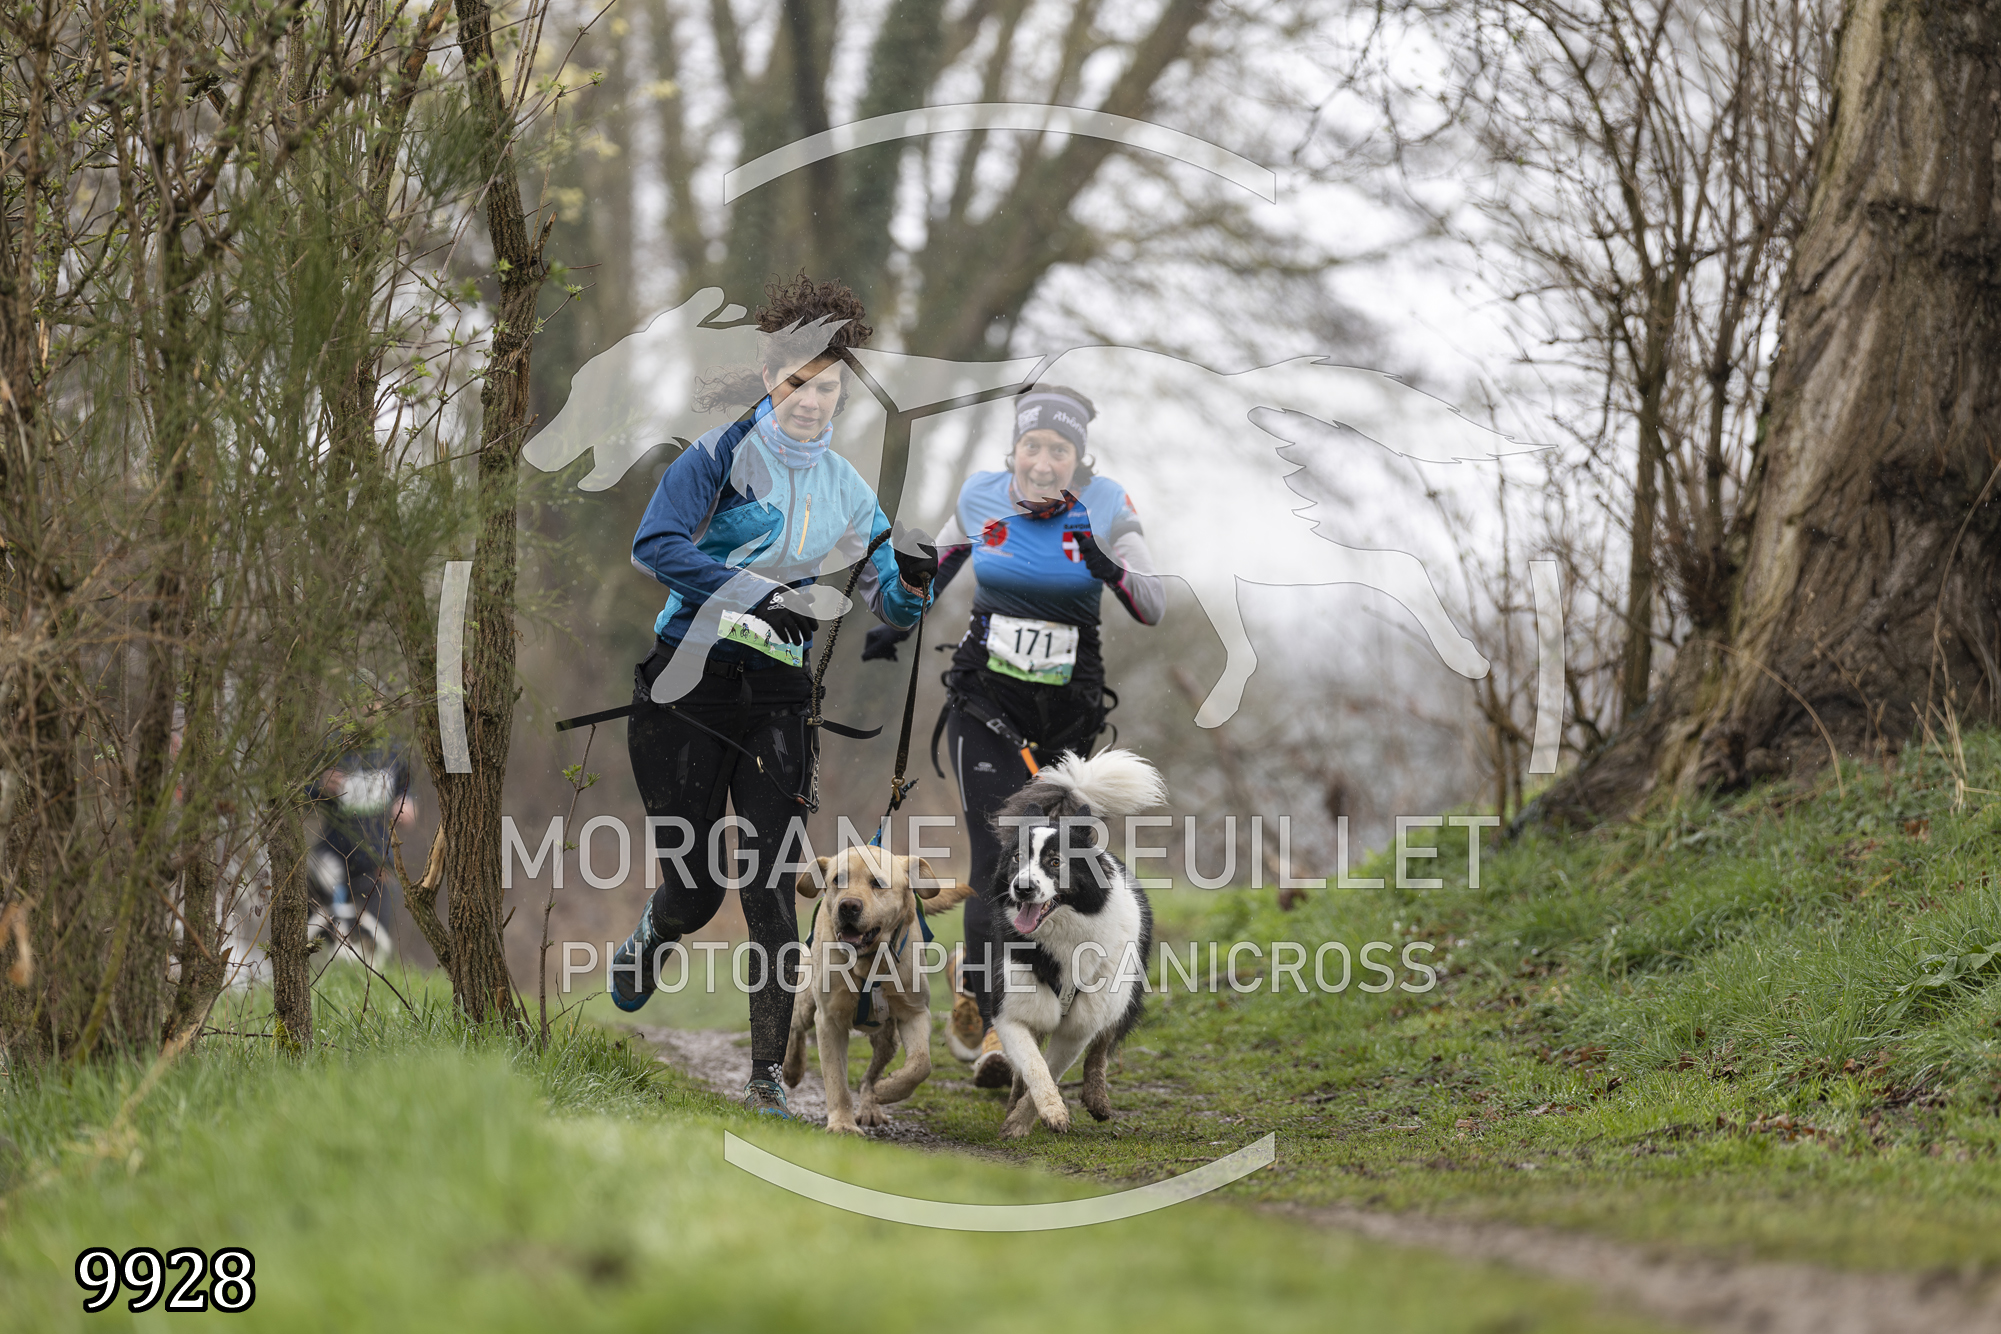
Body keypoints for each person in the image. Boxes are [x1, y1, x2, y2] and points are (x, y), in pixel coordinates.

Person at [606, 275, 938, 1118]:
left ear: (841, 391)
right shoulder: (715, 457)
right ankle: (657, 929)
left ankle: (763, 1078)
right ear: (768, 378)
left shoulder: (847, 488)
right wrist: (757, 593)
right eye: (796, 383)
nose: (810, 401)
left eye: (826, 387)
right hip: (685, 686)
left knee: (768, 887)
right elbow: (655, 546)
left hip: (778, 701)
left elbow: (889, 602)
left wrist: (913, 585)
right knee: (696, 892)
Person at [861, 384, 1163, 1088]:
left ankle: (1035, 991)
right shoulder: (980, 496)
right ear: (1015, 449)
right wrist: (895, 622)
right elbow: (931, 575)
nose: (1043, 460)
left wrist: (1107, 566)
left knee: (1057, 855)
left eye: (1059, 449)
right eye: (1032, 445)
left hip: (1068, 714)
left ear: (1078, 457)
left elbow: (1151, 603)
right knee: (1000, 849)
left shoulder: (1108, 504)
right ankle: (994, 1012)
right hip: (985, 701)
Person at [305, 737, 414, 964]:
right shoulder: (331, 748)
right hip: (331, 856)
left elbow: (407, 792)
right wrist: (320, 785)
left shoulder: (394, 751)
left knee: (376, 938)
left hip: (376, 860)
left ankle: (371, 967)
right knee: (312, 890)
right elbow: (300, 795)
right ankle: (317, 960)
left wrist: (407, 804)